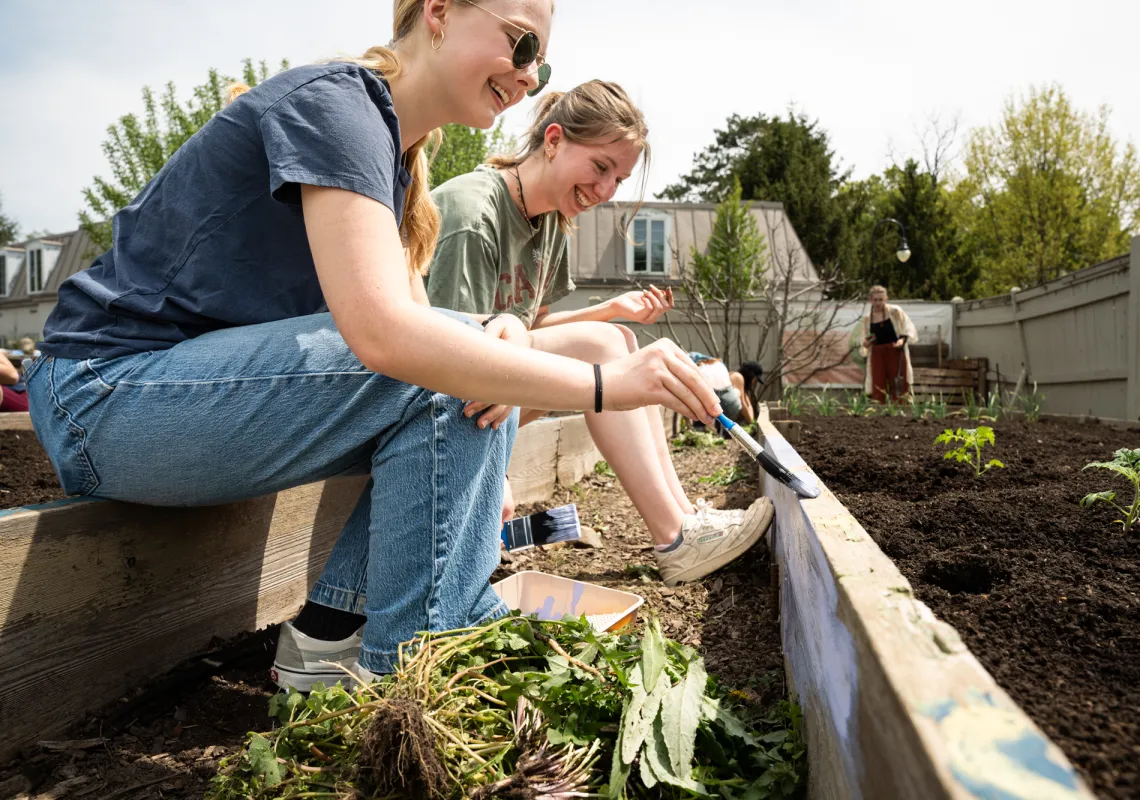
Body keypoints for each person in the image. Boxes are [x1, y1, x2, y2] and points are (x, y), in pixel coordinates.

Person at [25, 0, 725, 692]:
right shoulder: (336, 106)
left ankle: (329, 637)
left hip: (169, 404)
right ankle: (420, 662)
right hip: (105, 394)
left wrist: (499, 331)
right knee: (450, 370)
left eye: (540, 66)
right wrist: (606, 386)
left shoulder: (389, 153)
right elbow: (389, 337)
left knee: (470, 369)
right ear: (440, 12)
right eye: (520, 46)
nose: (527, 76)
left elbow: (429, 329)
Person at [425, 83, 773, 586]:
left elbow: (527, 332)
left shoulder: (550, 223)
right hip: (423, 400)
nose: (607, 191)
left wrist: (609, 309)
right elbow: (444, 355)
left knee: (621, 342)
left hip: (485, 391)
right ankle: (675, 536)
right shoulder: (473, 215)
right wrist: (492, 474)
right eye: (601, 167)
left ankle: (683, 520)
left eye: (620, 178)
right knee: (606, 345)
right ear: (553, 140)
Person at [860, 285, 917, 402]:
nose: (878, 303)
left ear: (886, 298)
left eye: (880, 299)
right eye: (875, 300)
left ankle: (900, 411)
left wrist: (901, 340)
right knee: (878, 383)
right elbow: (866, 338)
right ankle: (879, 412)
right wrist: (866, 343)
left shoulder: (895, 312)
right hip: (877, 353)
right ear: (870, 300)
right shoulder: (867, 318)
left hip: (895, 351)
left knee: (898, 384)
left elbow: (907, 328)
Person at [688, 353, 753, 425]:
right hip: (730, 402)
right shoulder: (719, 364)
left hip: (707, 399)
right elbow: (742, 400)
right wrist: (751, 422)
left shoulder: (693, 367)